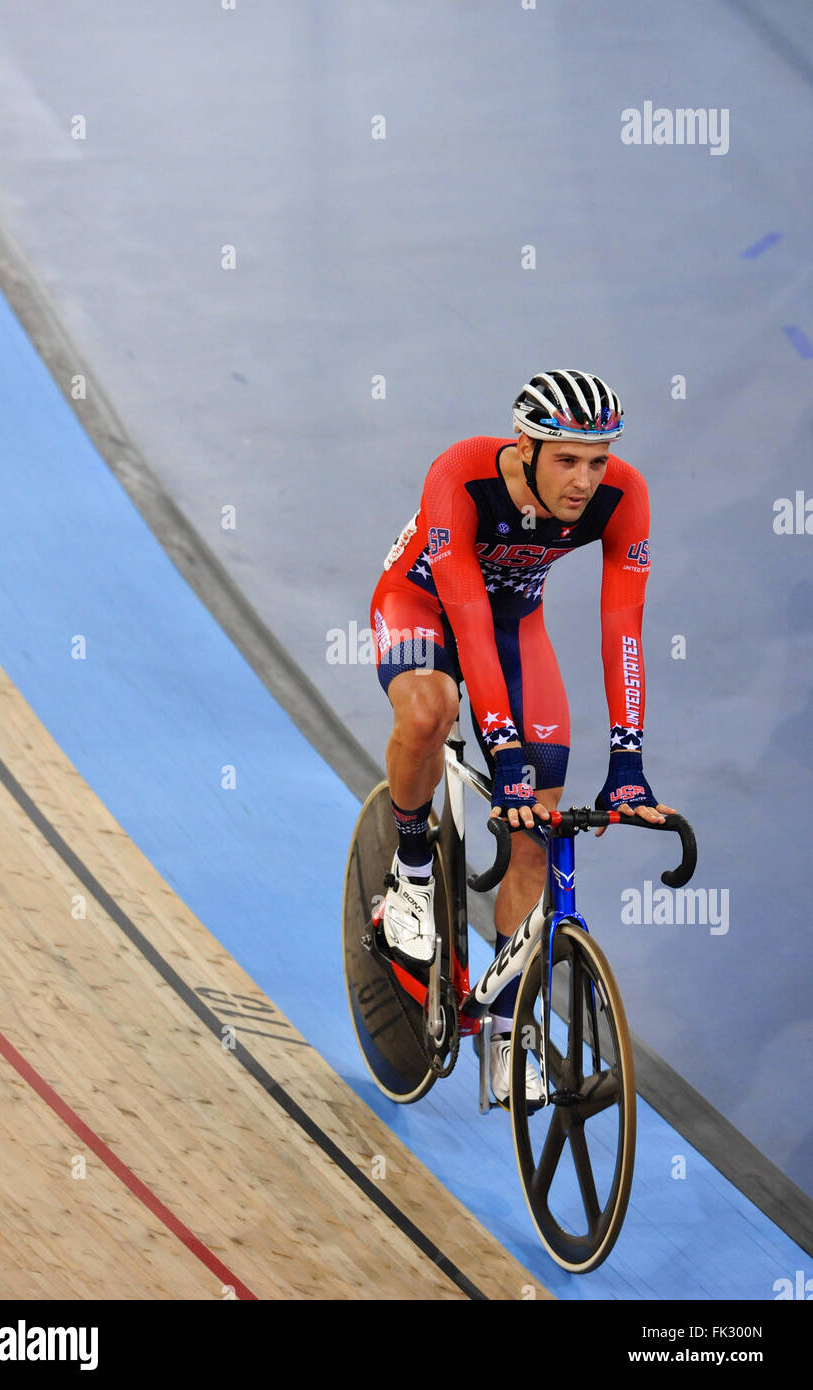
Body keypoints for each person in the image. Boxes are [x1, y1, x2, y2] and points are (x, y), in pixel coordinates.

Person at [369, 369, 676, 1107]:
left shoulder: (623, 497)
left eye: (597, 460)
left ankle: (507, 1033)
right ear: (526, 446)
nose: (584, 479)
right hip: (427, 604)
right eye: (567, 459)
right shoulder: (462, 474)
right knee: (429, 712)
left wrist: (628, 758)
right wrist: (501, 751)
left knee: (538, 826)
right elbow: (466, 613)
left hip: (515, 625)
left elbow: (621, 628)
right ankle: (410, 875)